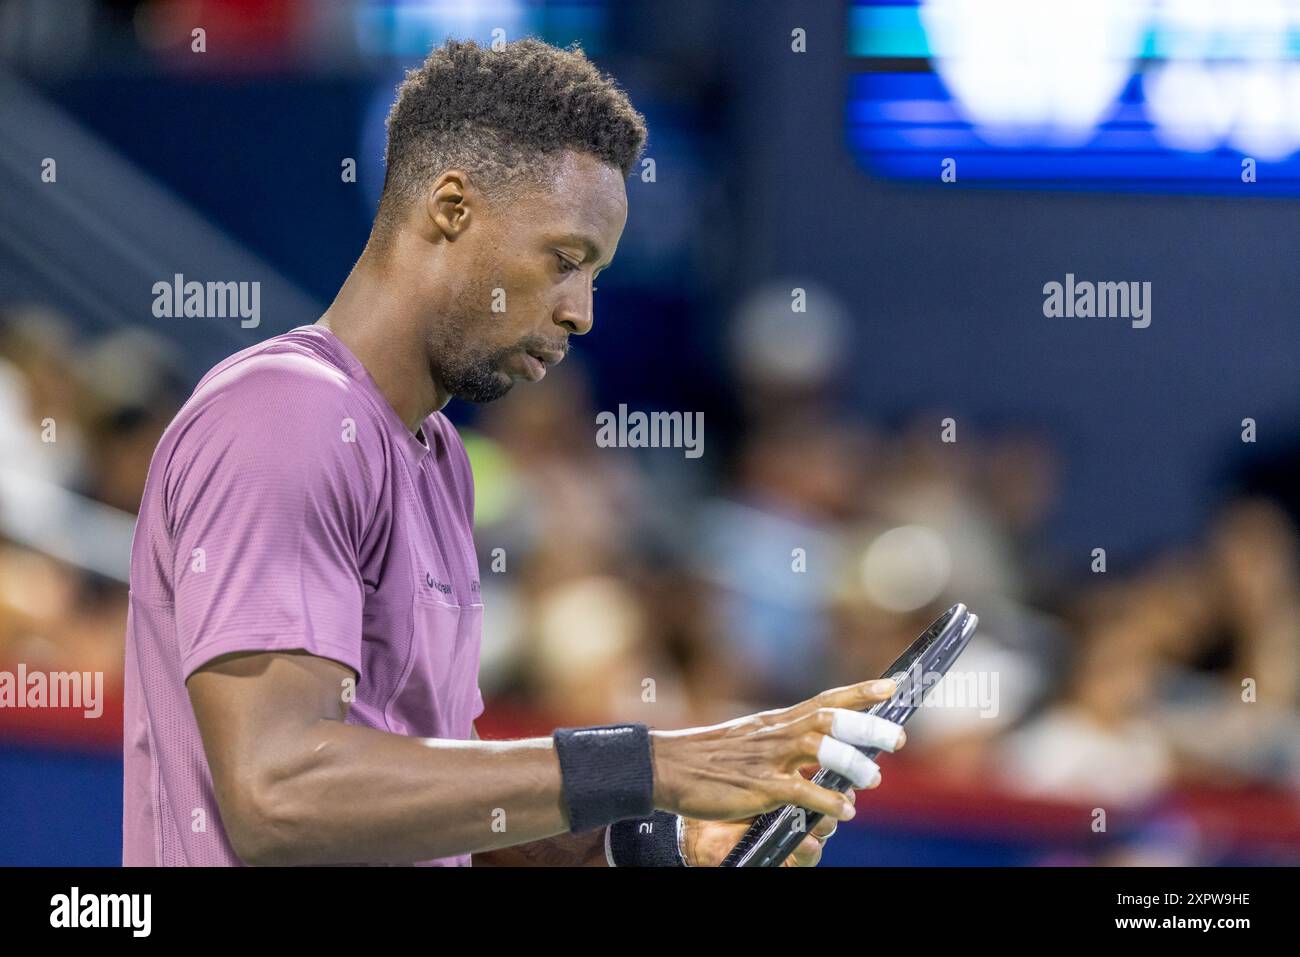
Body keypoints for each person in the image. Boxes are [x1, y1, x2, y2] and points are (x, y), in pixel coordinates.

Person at [122, 37, 905, 868]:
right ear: (451, 208)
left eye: (596, 275)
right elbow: (278, 795)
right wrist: (657, 763)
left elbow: (433, 817)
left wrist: (665, 844)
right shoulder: (287, 414)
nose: (582, 313)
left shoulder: (440, 459)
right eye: (566, 261)